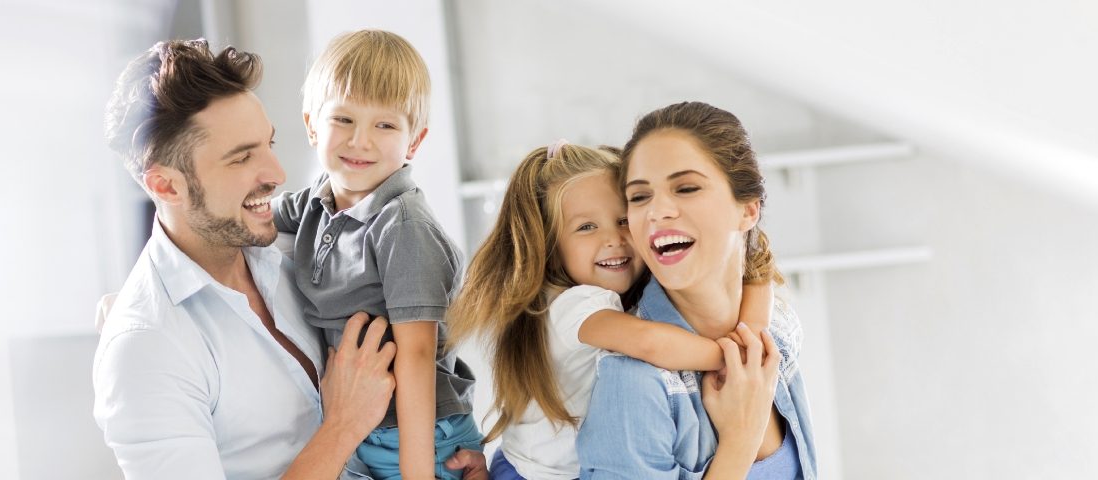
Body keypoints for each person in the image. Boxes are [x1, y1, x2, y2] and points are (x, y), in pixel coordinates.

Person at [92, 39, 484, 480]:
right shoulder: (146, 348)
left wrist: (444, 456)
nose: (277, 174)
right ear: (166, 187)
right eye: (242, 157)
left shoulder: (287, 250)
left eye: (268, 144)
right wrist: (342, 426)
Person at [447, 141, 772, 480]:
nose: (614, 238)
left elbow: (758, 275)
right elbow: (651, 344)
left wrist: (752, 323)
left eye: (622, 220)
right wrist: (732, 358)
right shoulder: (572, 305)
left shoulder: (623, 292)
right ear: (552, 250)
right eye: (586, 227)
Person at [272, 29, 482, 480]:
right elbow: (245, 217)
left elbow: (419, 356)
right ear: (312, 125)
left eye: (384, 125)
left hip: (419, 431)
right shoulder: (316, 201)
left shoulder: (401, 225)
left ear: (414, 142)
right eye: (343, 120)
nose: (360, 141)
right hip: (368, 425)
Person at [575, 101, 818, 479]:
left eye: (686, 188)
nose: (657, 211)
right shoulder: (634, 382)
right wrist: (740, 440)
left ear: (748, 210)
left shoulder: (779, 330)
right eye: (639, 197)